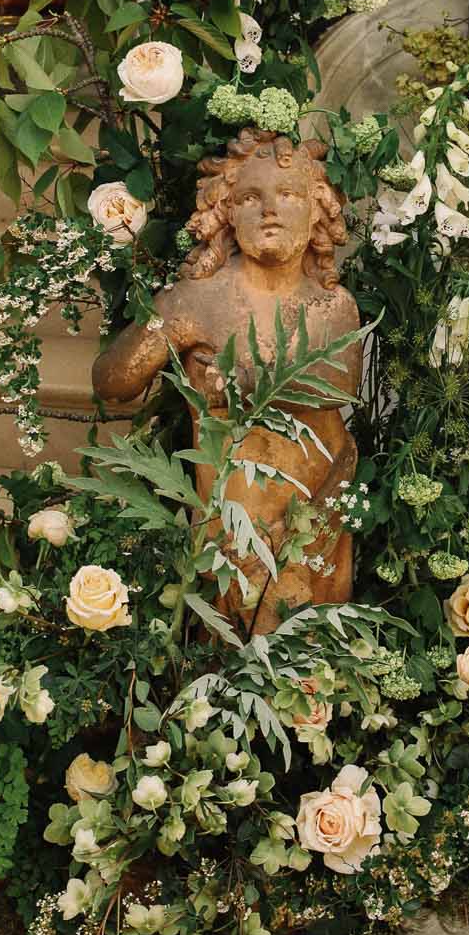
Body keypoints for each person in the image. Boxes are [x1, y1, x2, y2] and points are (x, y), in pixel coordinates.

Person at [91, 128, 361, 635]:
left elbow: (334, 388)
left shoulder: (334, 308)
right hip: (230, 523)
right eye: (251, 197)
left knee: (309, 672)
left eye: (289, 195)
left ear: (319, 211)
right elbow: (112, 381)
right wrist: (167, 320)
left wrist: (234, 383)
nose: (270, 210)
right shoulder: (198, 301)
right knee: (230, 665)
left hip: (317, 517)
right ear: (227, 212)